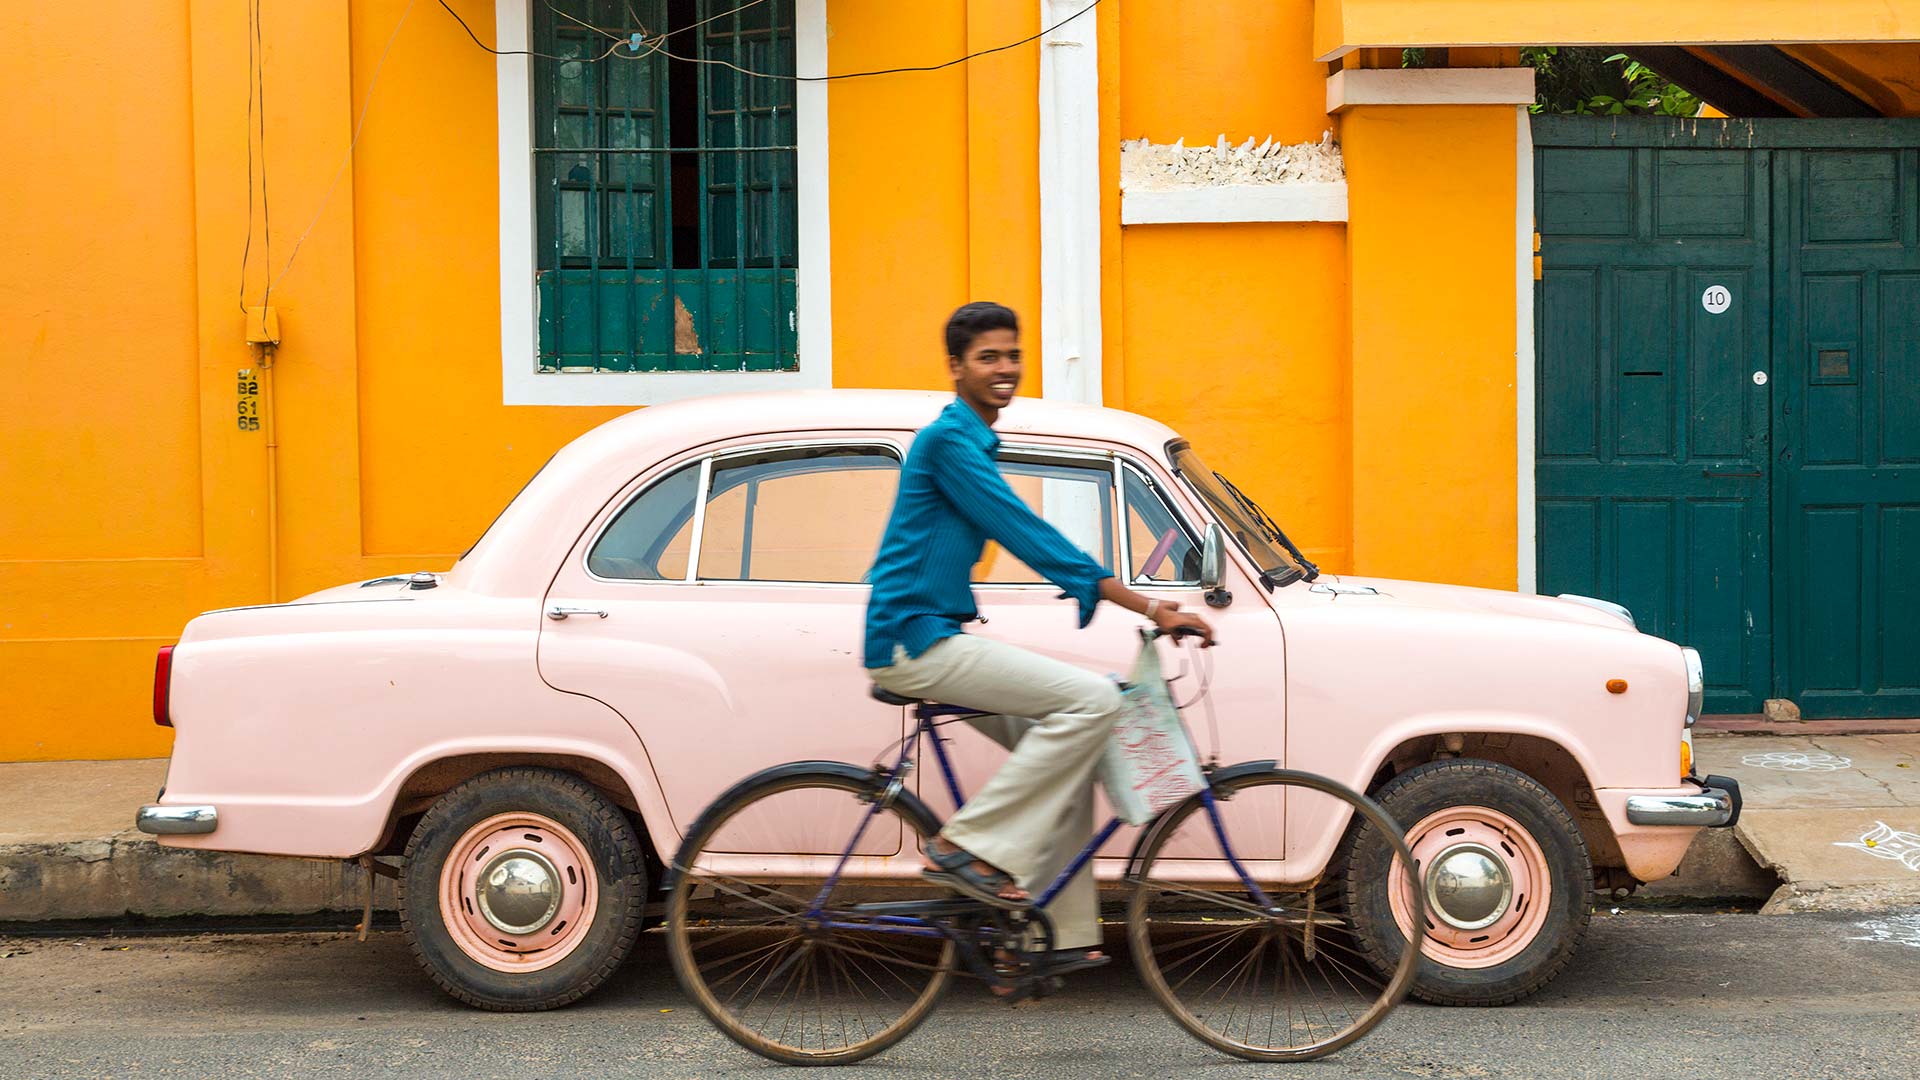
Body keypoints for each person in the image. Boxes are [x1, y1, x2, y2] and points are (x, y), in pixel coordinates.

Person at [863, 301, 1214, 975]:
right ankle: (965, 848)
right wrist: (1147, 606)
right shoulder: (948, 443)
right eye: (987, 357)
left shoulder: (970, 441)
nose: (1004, 369)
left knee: (1070, 751)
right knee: (1091, 703)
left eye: (1012, 355)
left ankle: (1050, 939)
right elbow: (1028, 532)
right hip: (913, 640)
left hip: (933, 633)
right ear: (956, 367)